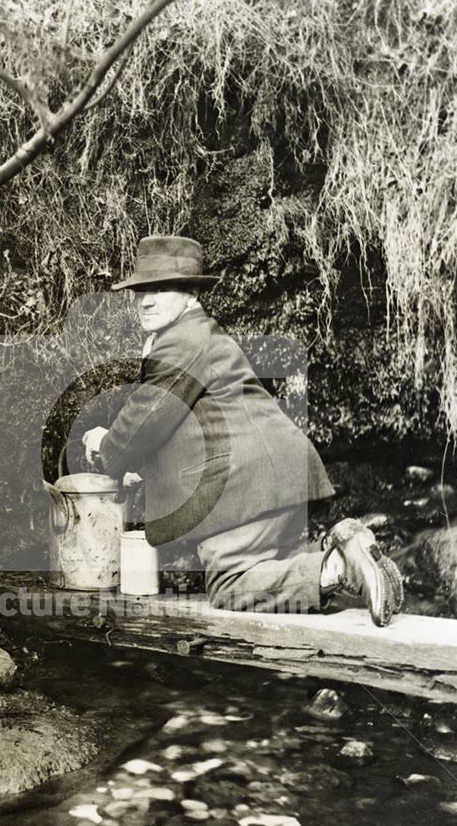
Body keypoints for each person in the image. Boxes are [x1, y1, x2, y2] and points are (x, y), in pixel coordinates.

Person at [82, 236, 403, 627]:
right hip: (277, 475)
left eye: (161, 288)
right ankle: (343, 546)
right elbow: (192, 429)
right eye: (140, 291)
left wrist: (104, 447)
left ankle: (338, 564)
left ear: (189, 294)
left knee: (231, 584)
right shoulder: (199, 334)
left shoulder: (180, 343)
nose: (145, 301)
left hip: (245, 484)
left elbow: (142, 424)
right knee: (277, 573)